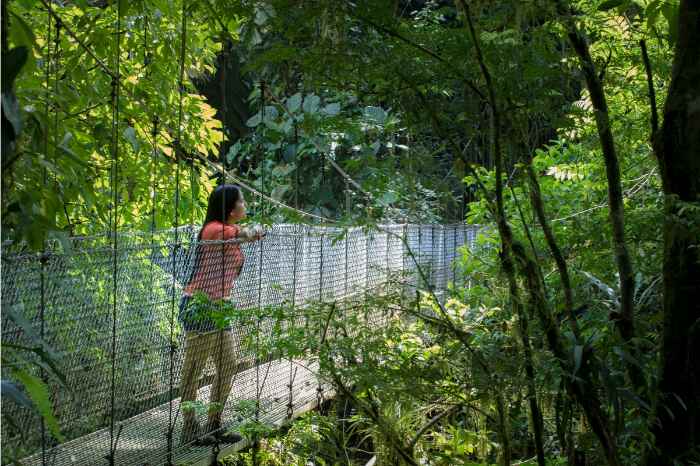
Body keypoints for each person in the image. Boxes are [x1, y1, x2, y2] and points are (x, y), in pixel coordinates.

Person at [179, 184, 264, 445]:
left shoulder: (231, 234)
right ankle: (190, 428)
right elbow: (245, 234)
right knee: (194, 369)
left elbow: (244, 237)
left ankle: (213, 425)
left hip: (220, 308)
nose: (245, 204)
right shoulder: (213, 230)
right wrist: (253, 232)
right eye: (242, 200)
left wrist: (253, 233)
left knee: (228, 365)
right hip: (199, 305)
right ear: (230, 206)